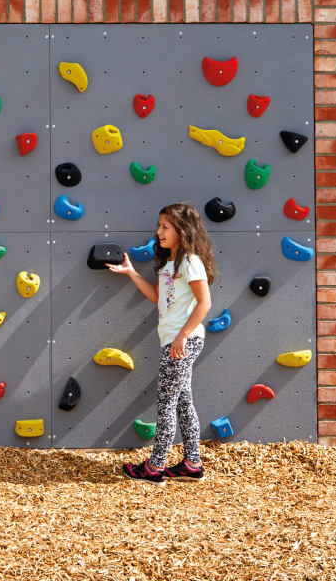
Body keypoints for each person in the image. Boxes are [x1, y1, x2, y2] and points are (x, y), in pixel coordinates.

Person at [107, 202, 217, 483]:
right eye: (159, 226)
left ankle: (154, 468)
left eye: (165, 227)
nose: (158, 231)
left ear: (182, 230)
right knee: (182, 402)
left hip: (183, 341)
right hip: (177, 341)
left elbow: (205, 303)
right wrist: (131, 272)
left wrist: (181, 336)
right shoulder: (170, 263)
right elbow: (158, 297)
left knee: (165, 403)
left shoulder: (190, 261)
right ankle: (192, 464)